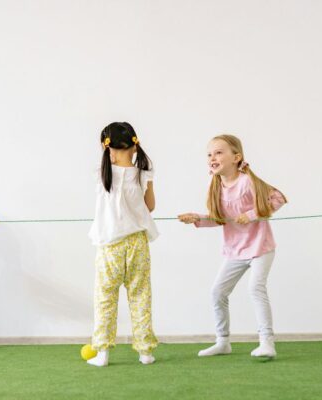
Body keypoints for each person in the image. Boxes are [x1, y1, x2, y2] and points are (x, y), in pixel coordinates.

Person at [179, 134, 286, 359]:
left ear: (236, 157)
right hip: (235, 251)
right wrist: (197, 218)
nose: (212, 158)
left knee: (255, 289)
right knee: (217, 293)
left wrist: (252, 214)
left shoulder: (247, 181)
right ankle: (223, 342)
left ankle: (267, 343)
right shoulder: (216, 185)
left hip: (260, 248)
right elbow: (220, 219)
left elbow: (278, 198)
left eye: (219, 152)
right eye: (209, 154)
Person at [87, 122, 158, 367]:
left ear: (107, 147)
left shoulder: (102, 174)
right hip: (137, 243)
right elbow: (150, 207)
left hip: (110, 246)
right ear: (134, 144)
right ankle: (146, 352)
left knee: (105, 297)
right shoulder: (144, 172)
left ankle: (103, 353)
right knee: (140, 295)